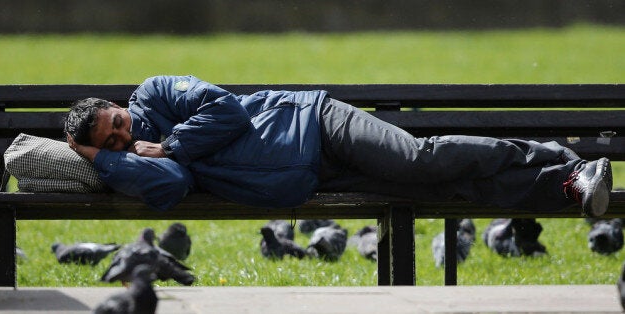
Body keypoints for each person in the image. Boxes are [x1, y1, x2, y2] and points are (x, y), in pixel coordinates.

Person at [64, 75, 612, 216]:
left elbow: (227, 109)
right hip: (315, 177)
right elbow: (173, 185)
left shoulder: (156, 94)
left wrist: (175, 143)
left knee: (420, 159)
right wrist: (102, 159)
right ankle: (569, 186)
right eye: (111, 139)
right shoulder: (132, 158)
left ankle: (559, 158)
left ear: (117, 103)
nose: (123, 133)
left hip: (316, 123)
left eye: (117, 121)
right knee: (450, 185)